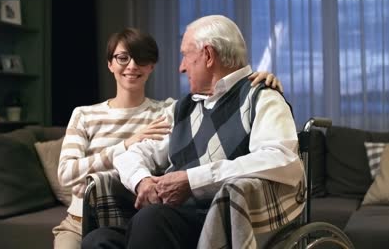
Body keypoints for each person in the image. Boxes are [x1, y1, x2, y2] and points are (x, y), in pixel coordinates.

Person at [81, 15, 304, 249]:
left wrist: (193, 180)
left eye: (186, 55)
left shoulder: (262, 97)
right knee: (98, 241)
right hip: (170, 222)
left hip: (220, 222)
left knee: (151, 220)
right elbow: (130, 155)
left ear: (207, 55)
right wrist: (142, 181)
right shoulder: (182, 108)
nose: (181, 67)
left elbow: (281, 158)